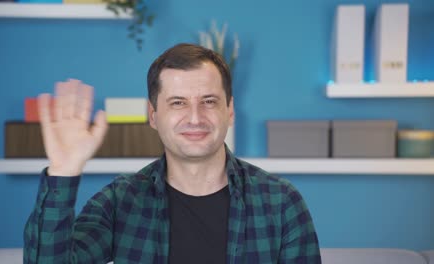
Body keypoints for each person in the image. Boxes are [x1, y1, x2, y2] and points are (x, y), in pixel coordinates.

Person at [23, 43, 321, 263]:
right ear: (153, 115)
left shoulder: (281, 202)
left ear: (229, 111)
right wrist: (63, 171)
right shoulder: (120, 200)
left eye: (209, 101)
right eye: (178, 102)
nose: (195, 117)